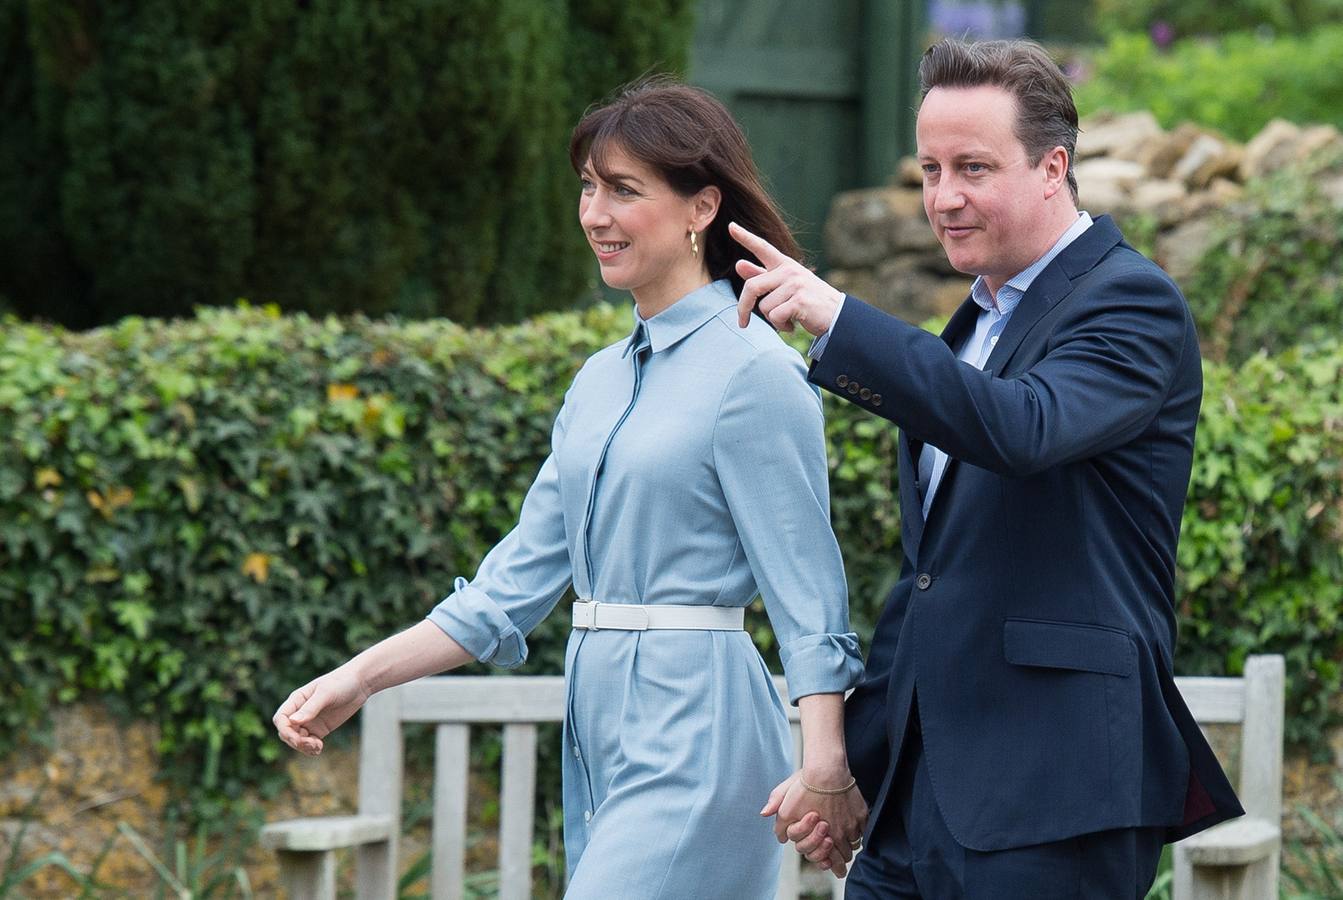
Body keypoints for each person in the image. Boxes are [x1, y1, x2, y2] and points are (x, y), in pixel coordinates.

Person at [272, 79, 868, 899]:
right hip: (597, 728)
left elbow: (809, 596)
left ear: (701, 208)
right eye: (588, 187)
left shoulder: (755, 373)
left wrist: (826, 765)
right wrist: (359, 679)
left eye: (624, 190)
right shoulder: (595, 383)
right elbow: (505, 591)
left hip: (701, 731)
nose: (594, 214)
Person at [729, 39, 1244, 899]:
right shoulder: (969, 328)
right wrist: (848, 763)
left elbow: (1021, 428)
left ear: (1053, 167)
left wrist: (839, 318)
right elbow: (932, 583)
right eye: (929, 169)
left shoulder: (1132, 301)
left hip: (1058, 793)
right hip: (916, 796)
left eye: (971, 167)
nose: (942, 198)